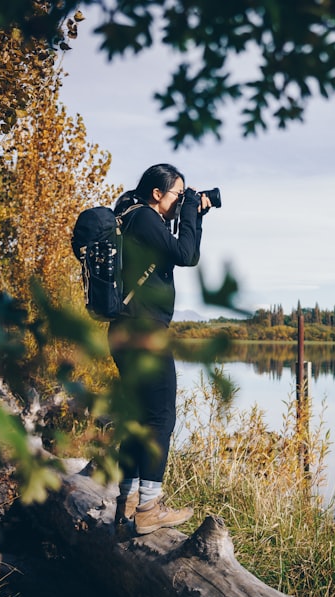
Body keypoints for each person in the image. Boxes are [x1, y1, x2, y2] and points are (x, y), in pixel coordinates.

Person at [108, 163, 213, 535]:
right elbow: (186, 254)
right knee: (160, 419)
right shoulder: (145, 219)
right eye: (176, 194)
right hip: (144, 332)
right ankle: (150, 507)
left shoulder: (128, 216)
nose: (179, 201)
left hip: (125, 330)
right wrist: (189, 212)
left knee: (139, 418)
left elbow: (183, 252)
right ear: (157, 194)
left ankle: (129, 502)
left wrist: (191, 214)